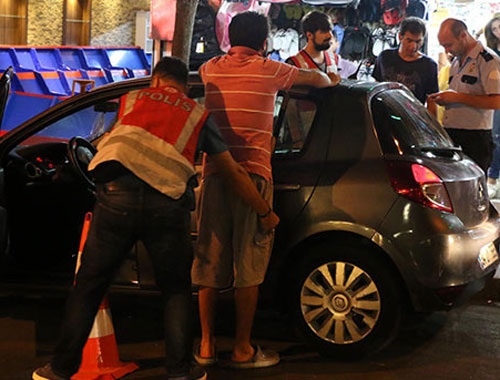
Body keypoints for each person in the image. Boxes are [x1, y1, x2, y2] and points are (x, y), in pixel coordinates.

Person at [32, 56, 279, 380]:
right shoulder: (197, 114)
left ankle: (59, 369)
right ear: (185, 87)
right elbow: (231, 170)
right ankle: (179, 371)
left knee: (89, 285)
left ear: (155, 81)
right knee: (175, 290)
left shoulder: (131, 99)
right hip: (167, 205)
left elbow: (123, 144)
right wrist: (264, 211)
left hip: (115, 199)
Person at [191, 11, 338, 369]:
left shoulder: (210, 68)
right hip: (254, 176)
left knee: (210, 260)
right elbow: (317, 80)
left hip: (215, 174)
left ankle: (207, 345)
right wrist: (330, 76)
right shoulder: (271, 69)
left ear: (229, 39)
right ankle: (242, 348)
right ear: (263, 43)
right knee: (249, 265)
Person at [428, 18, 500, 173]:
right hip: (452, 134)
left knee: (472, 191)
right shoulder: (456, 62)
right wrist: (444, 99)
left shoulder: (488, 60)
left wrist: (456, 97)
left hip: (475, 137)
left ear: (463, 35)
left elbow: (497, 101)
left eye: (449, 44)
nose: (446, 50)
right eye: (443, 46)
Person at [372, 16, 438, 112]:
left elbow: (432, 100)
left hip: (411, 119)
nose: (413, 46)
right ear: (400, 36)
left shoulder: (429, 65)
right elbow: (376, 87)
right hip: (383, 114)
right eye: (409, 40)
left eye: (418, 41)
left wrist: (432, 125)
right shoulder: (385, 57)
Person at [285, 10, 341, 79]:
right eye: (324, 32)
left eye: (330, 31)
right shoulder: (294, 64)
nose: (330, 36)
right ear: (309, 35)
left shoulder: (333, 58)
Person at [483, 16, 500, 197]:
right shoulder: (493, 54)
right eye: (494, 29)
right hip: (497, 98)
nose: (498, 32)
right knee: (496, 138)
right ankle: (493, 178)